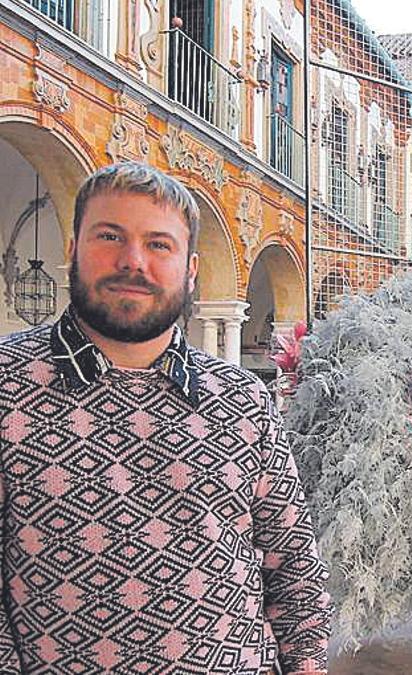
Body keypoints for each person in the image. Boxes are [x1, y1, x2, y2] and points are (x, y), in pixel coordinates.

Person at [0, 162, 330, 673]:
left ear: (190, 269)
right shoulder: (8, 385)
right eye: (110, 236)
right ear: (71, 248)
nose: (133, 261)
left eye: (159, 244)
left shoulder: (243, 399)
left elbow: (293, 569)